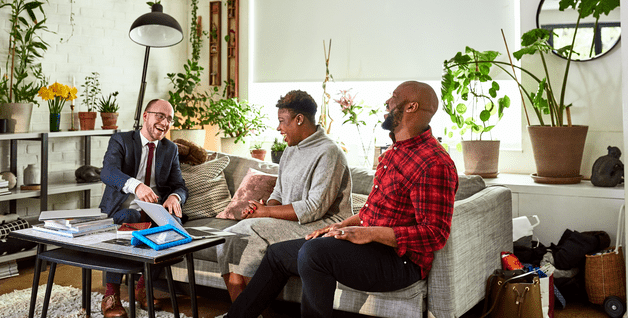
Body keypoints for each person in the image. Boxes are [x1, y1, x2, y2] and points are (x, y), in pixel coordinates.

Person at [221, 81, 459, 318]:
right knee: (278, 254)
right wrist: (340, 226)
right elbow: (371, 213)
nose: (387, 102)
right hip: (373, 247)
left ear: (411, 107)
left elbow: (435, 234)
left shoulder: (434, 163)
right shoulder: (394, 152)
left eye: (394, 97)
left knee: (314, 252)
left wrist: (370, 233)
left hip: (400, 261)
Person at [217, 90, 353, 302]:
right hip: (293, 222)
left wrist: (266, 213)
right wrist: (263, 209)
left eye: (282, 121)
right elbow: (278, 193)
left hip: (323, 224)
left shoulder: (329, 152)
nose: (278, 127)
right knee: (228, 236)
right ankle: (242, 311)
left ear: (299, 119)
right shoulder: (290, 150)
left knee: (248, 231)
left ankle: (244, 311)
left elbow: (314, 208)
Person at [98, 99, 187, 318]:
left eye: (169, 119)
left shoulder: (170, 149)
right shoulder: (121, 140)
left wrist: (175, 197)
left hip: (154, 210)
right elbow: (107, 172)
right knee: (129, 217)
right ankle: (111, 294)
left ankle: (143, 287)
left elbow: (179, 185)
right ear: (145, 116)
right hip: (122, 208)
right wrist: (136, 186)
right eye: (160, 116)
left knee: (174, 226)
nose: (165, 123)